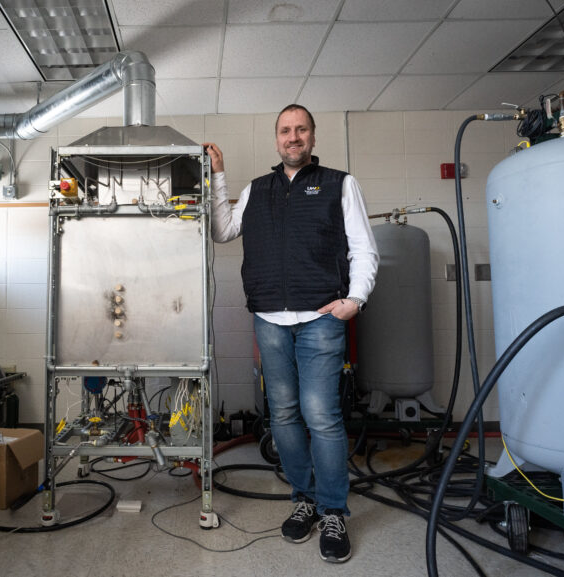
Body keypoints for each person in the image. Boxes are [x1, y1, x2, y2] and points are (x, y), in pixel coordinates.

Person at [204, 104, 378, 564]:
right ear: (277, 138)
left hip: (322, 316)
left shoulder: (340, 183)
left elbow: (363, 247)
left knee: (321, 415)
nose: (293, 137)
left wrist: (355, 300)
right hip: (270, 320)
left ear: (313, 137)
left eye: (301, 129)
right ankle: (304, 499)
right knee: (282, 415)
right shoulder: (256, 190)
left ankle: (333, 510)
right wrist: (218, 175)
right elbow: (222, 230)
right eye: (285, 130)